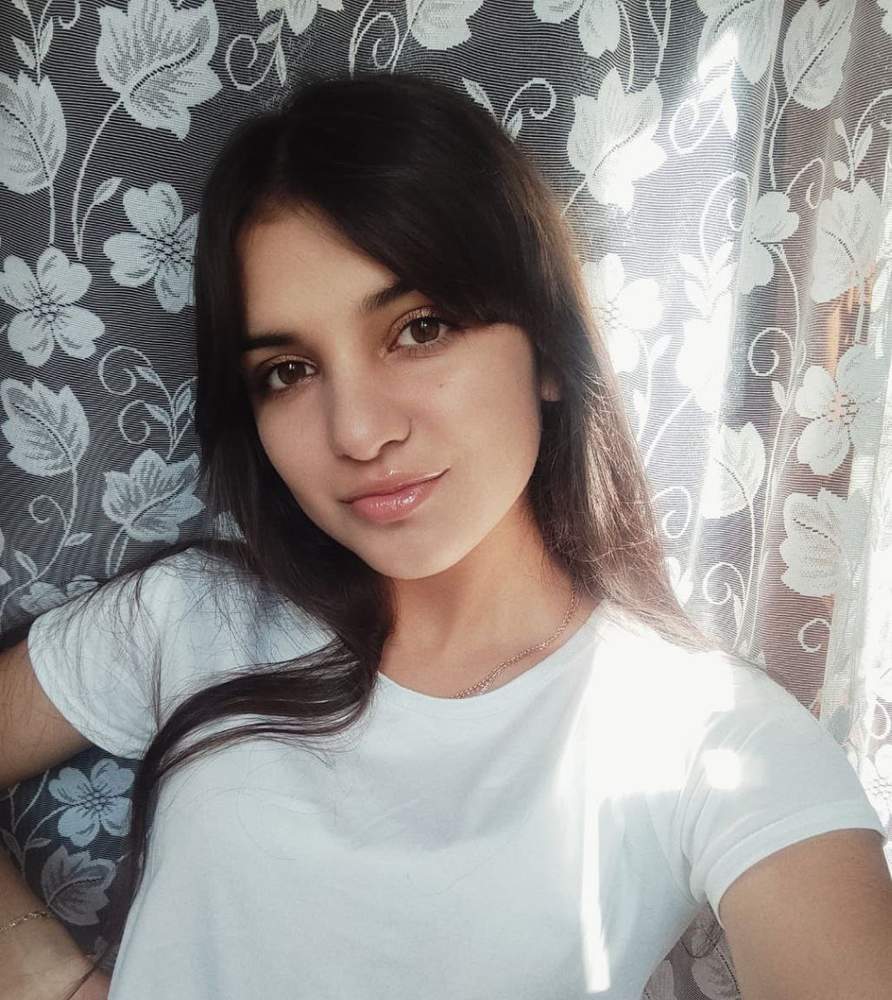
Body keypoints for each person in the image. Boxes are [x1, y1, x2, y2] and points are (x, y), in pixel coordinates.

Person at [0, 69, 889, 1000]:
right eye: (289, 370)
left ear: (547, 351)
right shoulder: (195, 618)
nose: (358, 432)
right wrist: (48, 978)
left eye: (419, 329)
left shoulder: (701, 732)